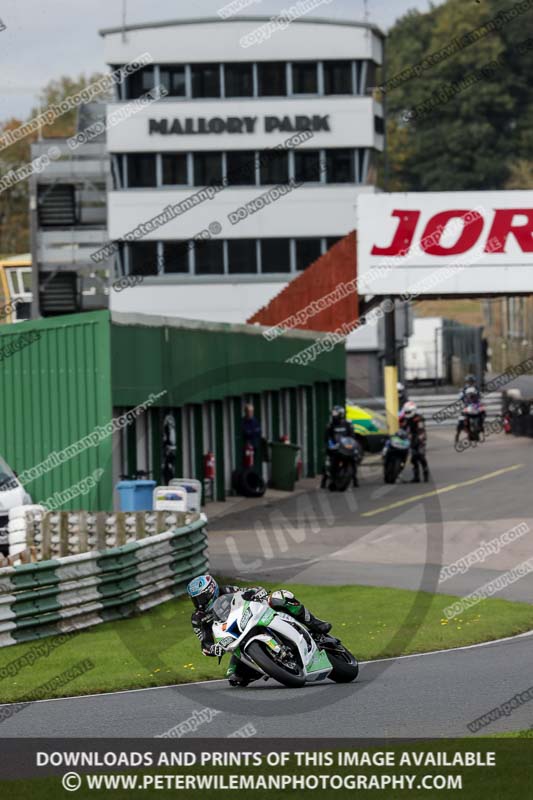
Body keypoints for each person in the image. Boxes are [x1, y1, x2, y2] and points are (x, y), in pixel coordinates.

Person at [187, 575, 332, 687]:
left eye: (202, 598)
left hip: (254, 615)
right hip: (236, 638)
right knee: (236, 678)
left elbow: (249, 591)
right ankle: (270, 664)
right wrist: (212, 649)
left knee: (281, 597)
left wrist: (257, 593)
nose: (200, 603)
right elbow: (204, 641)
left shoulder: (228, 590)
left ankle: (315, 624)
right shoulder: (197, 618)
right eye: (195, 600)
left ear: (212, 591)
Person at [321, 405, 358, 488]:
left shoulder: (348, 424)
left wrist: (353, 445)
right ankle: (324, 480)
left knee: (353, 459)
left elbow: (352, 436)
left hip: (345, 446)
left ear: (341, 414)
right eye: (333, 413)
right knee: (329, 462)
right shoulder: (330, 425)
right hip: (335, 447)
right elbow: (327, 437)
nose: (334, 415)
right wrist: (329, 445)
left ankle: (355, 479)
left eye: (336, 413)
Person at [400, 400, 429, 483]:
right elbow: (403, 427)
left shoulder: (419, 419)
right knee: (413, 458)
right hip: (412, 438)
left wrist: (419, 439)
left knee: (420, 456)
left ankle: (425, 473)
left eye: (408, 412)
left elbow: (421, 430)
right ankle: (416, 477)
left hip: (420, 438)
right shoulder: (406, 418)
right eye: (406, 412)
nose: (407, 413)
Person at [455, 379, 485, 444]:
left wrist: (481, 407)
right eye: (469, 382)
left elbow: (481, 398)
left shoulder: (477, 390)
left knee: (482, 414)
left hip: (475, 408)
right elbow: (460, 398)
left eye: (471, 382)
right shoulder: (463, 391)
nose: (471, 397)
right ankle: (457, 434)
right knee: (461, 419)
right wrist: (463, 403)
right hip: (467, 407)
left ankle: (480, 430)